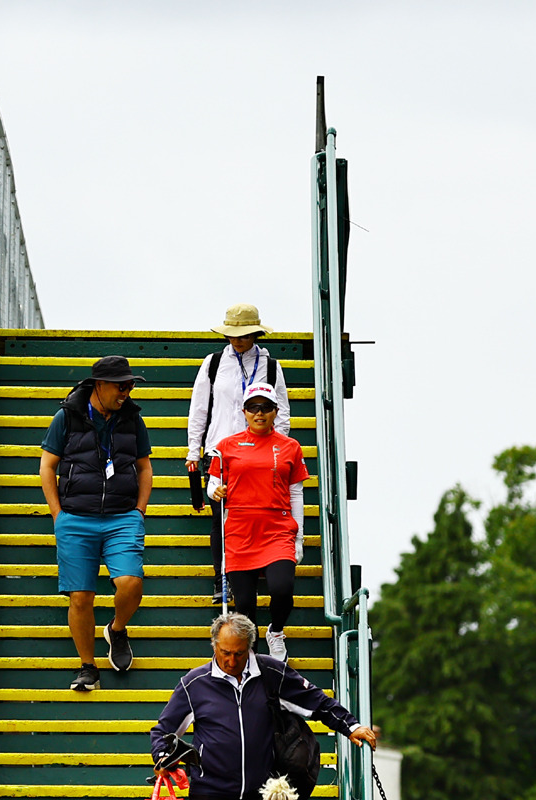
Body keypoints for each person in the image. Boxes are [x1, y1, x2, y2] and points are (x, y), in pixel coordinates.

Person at [150, 613, 376, 800]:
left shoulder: (271, 673)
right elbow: (163, 730)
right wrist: (162, 756)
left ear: (249, 648)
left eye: (238, 654)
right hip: (209, 791)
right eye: (225, 653)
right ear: (214, 645)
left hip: (263, 791)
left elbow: (316, 701)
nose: (231, 661)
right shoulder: (194, 683)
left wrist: (350, 726)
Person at [39, 355, 154, 691]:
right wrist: (58, 515)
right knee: (80, 596)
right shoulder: (67, 416)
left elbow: (144, 467)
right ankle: (88, 667)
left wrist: (139, 511)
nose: (127, 392)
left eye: (130, 385)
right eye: (122, 386)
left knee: (131, 583)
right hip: (76, 518)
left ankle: (116, 629)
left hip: (122, 517)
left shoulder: (132, 418)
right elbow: (47, 467)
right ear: (99, 385)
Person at [186, 304, 290, 603]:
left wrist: (277, 452)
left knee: (255, 515)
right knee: (221, 517)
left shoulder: (270, 366)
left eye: (244, 335)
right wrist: (195, 450)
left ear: (256, 333)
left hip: (260, 455)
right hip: (222, 449)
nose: (237, 340)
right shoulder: (214, 362)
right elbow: (199, 408)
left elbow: (281, 413)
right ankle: (222, 578)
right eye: (232, 334)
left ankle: (251, 572)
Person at [207, 382, 305, 661]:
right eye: (253, 407)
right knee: (246, 605)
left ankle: (275, 631)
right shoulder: (227, 445)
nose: (259, 413)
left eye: (265, 408)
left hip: (277, 531)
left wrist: (299, 538)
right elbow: (214, 483)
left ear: (276, 411)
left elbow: (296, 493)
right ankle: (253, 659)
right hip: (239, 532)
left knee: (282, 589)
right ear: (244, 412)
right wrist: (214, 491)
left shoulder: (290, 447)